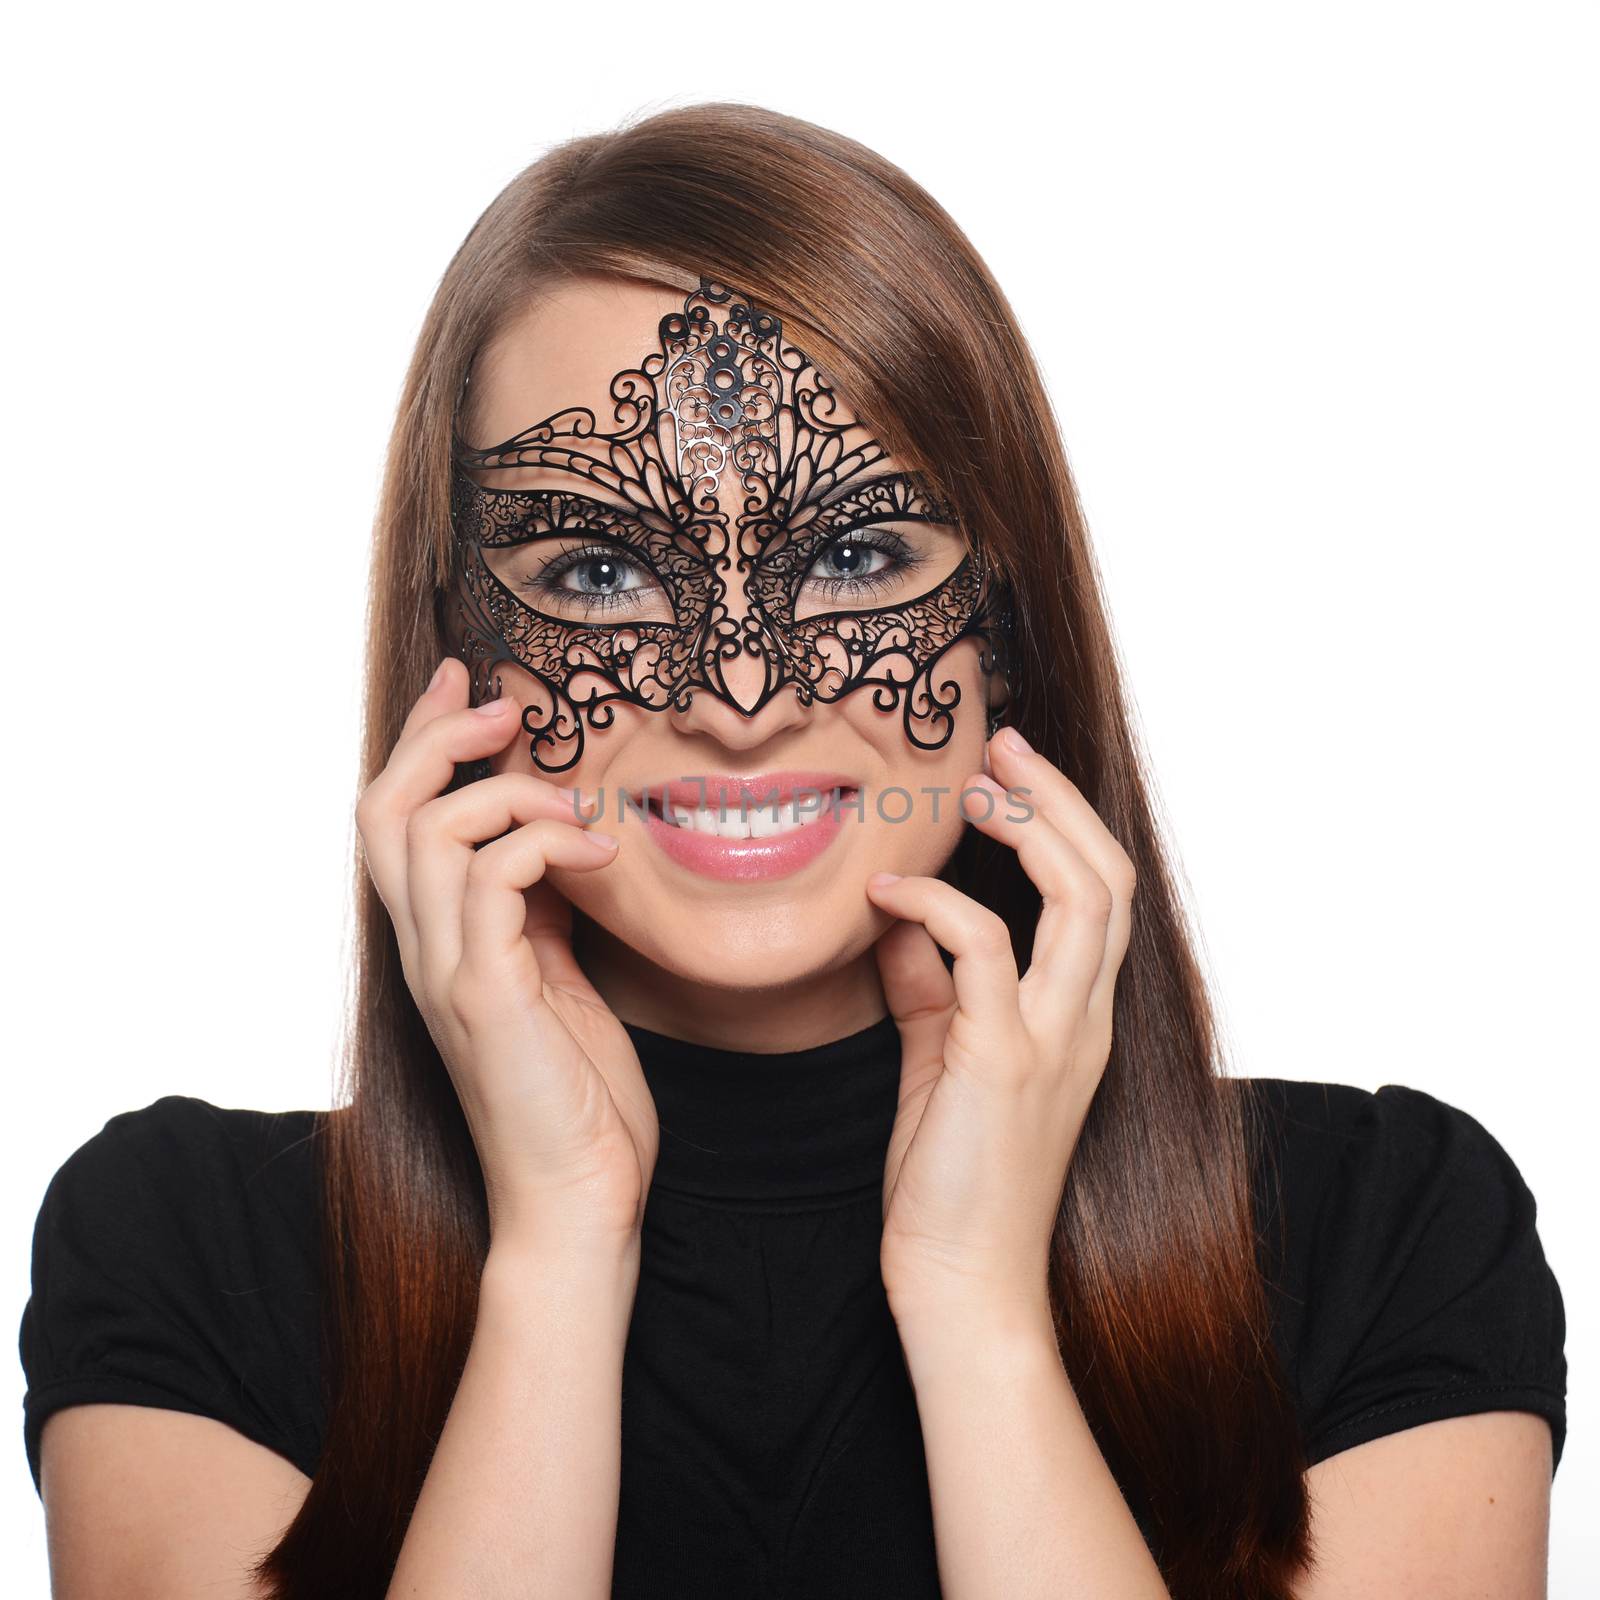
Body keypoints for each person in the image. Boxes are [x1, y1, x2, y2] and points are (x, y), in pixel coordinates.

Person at [18, 102, 1566, 1600]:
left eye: (855, 552)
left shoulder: (1388, 1231)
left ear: (1010, 627)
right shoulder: (186, 1250)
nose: (743, 695)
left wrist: (979, 1315)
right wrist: (556, 1254)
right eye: (605, 566)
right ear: (459, 652)